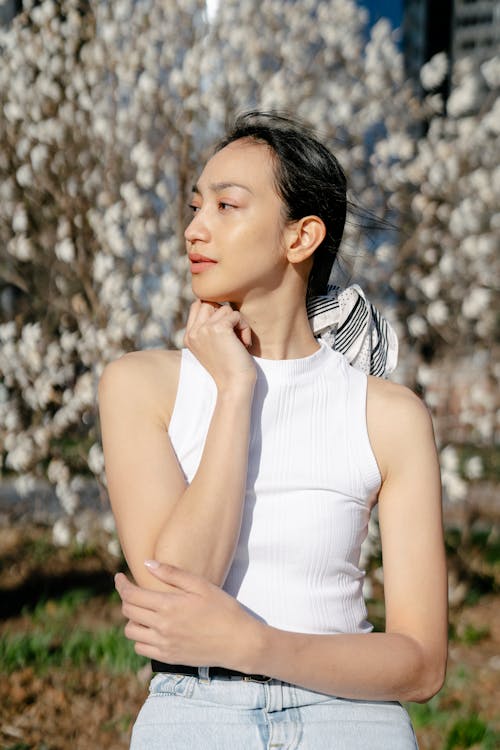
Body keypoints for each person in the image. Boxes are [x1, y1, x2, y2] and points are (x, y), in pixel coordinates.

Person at [98, 111, 448, 749]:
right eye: (196, 205)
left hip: (351, 716)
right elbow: (175, 584)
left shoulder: (389, 415)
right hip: (196, 712)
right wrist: (236, 391)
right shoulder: (140, 386)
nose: (194, 228)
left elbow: (423, 665)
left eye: (227, 206)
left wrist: (253, 644)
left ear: (300, 238)